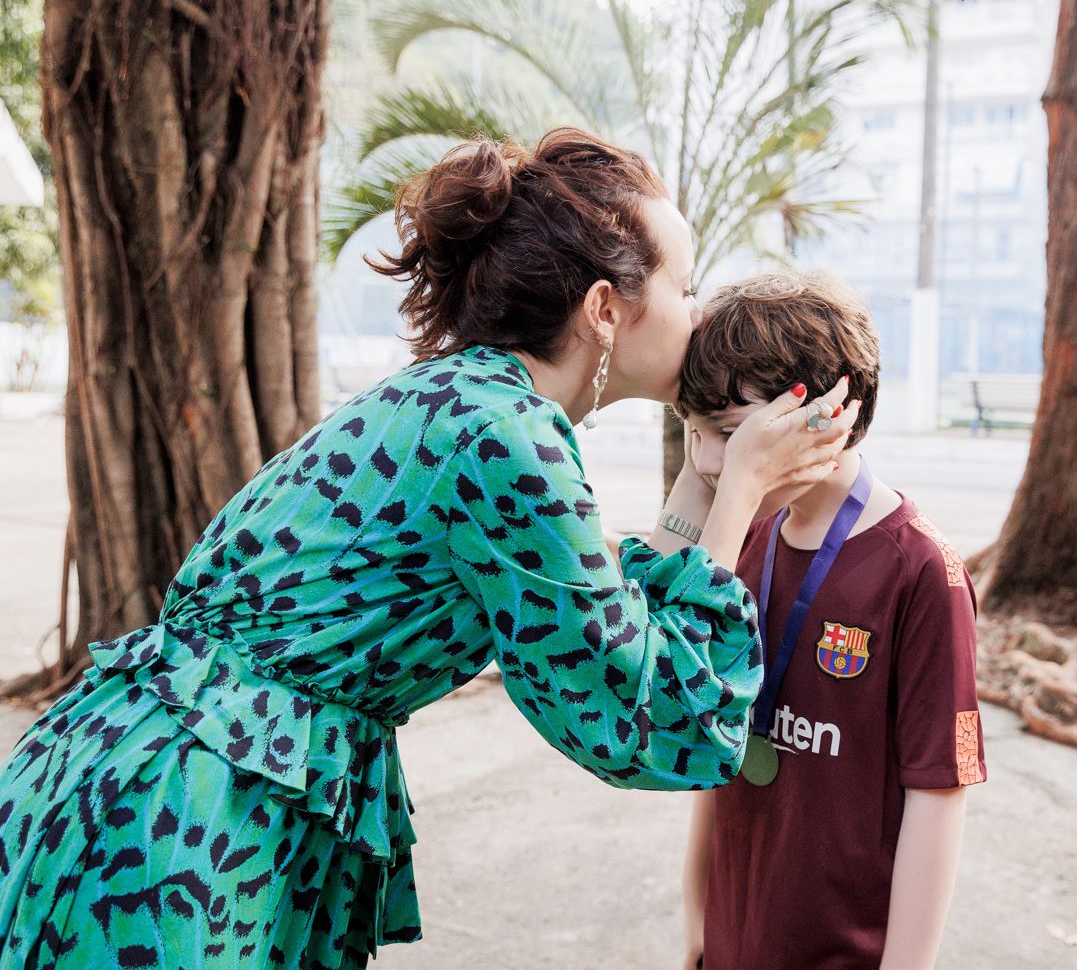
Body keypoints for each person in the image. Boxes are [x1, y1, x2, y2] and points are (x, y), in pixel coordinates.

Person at [0, 130, 857, 969]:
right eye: (685, 284)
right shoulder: (506, 439)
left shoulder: (470, 397)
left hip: (167, 776)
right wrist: (742, 492)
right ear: (604, 310)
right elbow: (644, 715)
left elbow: (610, 618)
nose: (699, 311)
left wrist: (710, 477)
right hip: (186, 815)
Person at [676, 272, 987, 970]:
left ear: (828, 414)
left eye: (729, 433)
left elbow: (937, 792)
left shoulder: (920, 572)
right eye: (694, 432)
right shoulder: (744, 540)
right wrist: (696, 914)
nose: (709, 462)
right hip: (732, 941)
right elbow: (721, 735)